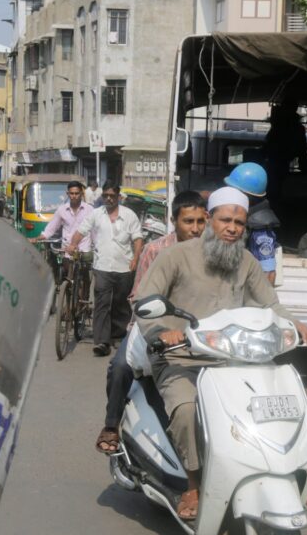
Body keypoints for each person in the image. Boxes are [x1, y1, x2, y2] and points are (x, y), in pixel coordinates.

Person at [134, 187, 307, 520]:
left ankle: (284, 474)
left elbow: (269, 303)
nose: (232, 228)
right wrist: (163, 332)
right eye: (225, 220)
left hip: (233, 359)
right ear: (208, 220)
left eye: (239, 222)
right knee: (188, 409)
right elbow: (145, 300)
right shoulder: (176, 256)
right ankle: (192, 484)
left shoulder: (245, 260)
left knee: (276, 400)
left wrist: (296, 323)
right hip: (181, 357)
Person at [95, 190, 209, 455]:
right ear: (173, 221)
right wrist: (161, 326)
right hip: (151, 326)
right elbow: (138, 298)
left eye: (200, 222)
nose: (195, 229)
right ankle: (111, 424)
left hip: (198, 331)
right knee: (120, 366)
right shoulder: (155, 250)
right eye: (188, 222)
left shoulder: (213, 254)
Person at [66, 181, 143, 356]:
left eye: (112, 196)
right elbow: (81, 231)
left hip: (124, 267)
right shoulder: (96, 214)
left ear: (118, 197)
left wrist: (136, 259)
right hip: (102, 266)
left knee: (120, 304)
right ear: (102, 197)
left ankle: (118, 335)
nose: (109, 199)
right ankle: (101, 342)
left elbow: (138, 239)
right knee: (101, 303)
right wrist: (73, 244)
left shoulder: (129, 215)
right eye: (106, 196)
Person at [226, 162, 280, 284]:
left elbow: (268, 273)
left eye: (234, 191)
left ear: (246, 195)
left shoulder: (260, 226)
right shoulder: (242, 215)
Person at [31, 180, 93, 261]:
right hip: (67, 250)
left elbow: (95, 231)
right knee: (64, 270)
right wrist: (36, 238)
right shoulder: (61, 210)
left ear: (81, 194)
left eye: (77, 193)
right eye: (71, 193)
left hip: (84, 251)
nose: (74, 196)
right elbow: (50, 229)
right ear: (68, 194)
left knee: (85, 271)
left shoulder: (90, 209)